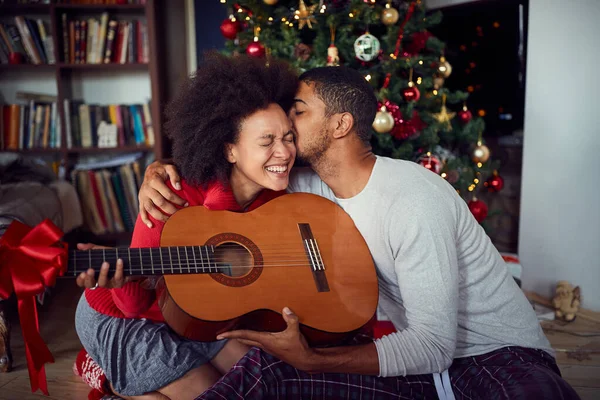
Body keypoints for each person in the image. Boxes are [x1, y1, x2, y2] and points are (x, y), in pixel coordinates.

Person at [139, 66, 580, 399]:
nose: (285, 129)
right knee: (263, 374)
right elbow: (237, 171)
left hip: (499, 358)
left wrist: (313, 359)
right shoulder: (306, 188)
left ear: (340, 125)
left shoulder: (411, 198)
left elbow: (433, 345)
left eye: (298, 112)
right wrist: (160, 172)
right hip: (426, 373)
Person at [74, 52, 299, 400]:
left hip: (195, 320)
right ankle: (103, 371)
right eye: (266, 142)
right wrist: (125, 276)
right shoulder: (171, 196)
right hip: (121, 314)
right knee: (211, 393)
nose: (284, 152)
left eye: (288, 137)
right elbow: (132, 306)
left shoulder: (273, 198)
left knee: (265, 382)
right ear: (230, 151)